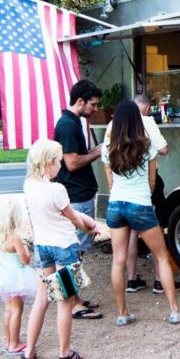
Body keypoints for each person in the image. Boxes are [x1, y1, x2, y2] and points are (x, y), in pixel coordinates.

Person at [103, 101, 180, 326]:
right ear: (137, 119)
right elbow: (152, 181)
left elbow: (110, 181)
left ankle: (122, 314)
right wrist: (144, 195)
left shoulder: (108, 147)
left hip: (115, 205)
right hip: (140, 204)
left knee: (118, 261)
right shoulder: (146, 146)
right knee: (161, 256)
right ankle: (174, 311)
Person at [20, 139, 99, 359]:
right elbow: (73, 218)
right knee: (64, 302)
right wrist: (89, 227)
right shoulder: (57, 190)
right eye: (57, 161)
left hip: (42, 247)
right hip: (64, 247)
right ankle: (64, 353)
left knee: (41, 300)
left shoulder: (29, 186)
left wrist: (86, 220)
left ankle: (29, 352)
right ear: (47, 163)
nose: (61, 166)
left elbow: (68, 213)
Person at [110, 94, 180, 295]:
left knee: (128, 239)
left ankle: (131, 280)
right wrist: (148, 191)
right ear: (147, 108)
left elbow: (108, 165)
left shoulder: (112, 126)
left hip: (118, 195)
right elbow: (163, 150)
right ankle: (160, 282)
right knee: (156, 232)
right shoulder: (147, 123)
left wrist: (113, 188)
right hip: (142, 191)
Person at [53, 80, 103, 310]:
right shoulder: (67, 125)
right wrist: (98, 152)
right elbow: (72, 163)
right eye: (93, 104)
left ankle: (74, 299)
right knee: (73, 252)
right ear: (80, 101)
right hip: (76, 196)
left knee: (76, 252)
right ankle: (71, 303)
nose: (95, 109)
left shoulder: (72, 122)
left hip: (78, 195)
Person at [0, 198, 36, 357]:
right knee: (17, 310)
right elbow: (25, 260)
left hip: (3, 275)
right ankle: (14, 344)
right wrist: (26, 248)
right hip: (17, 277)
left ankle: (9, 341)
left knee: (8, 310)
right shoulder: (15, 238)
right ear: (13, 219)